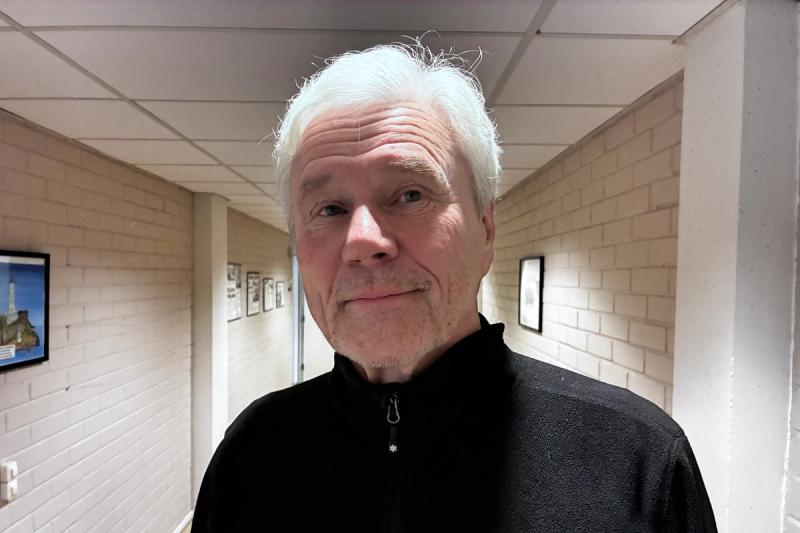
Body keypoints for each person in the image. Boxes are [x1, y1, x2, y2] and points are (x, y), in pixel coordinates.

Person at [192, 42, 717, 532]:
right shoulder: (252, 453)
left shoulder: (637, 461)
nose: (363, 241)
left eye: (410, 194)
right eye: (329, 209)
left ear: (485, 230)